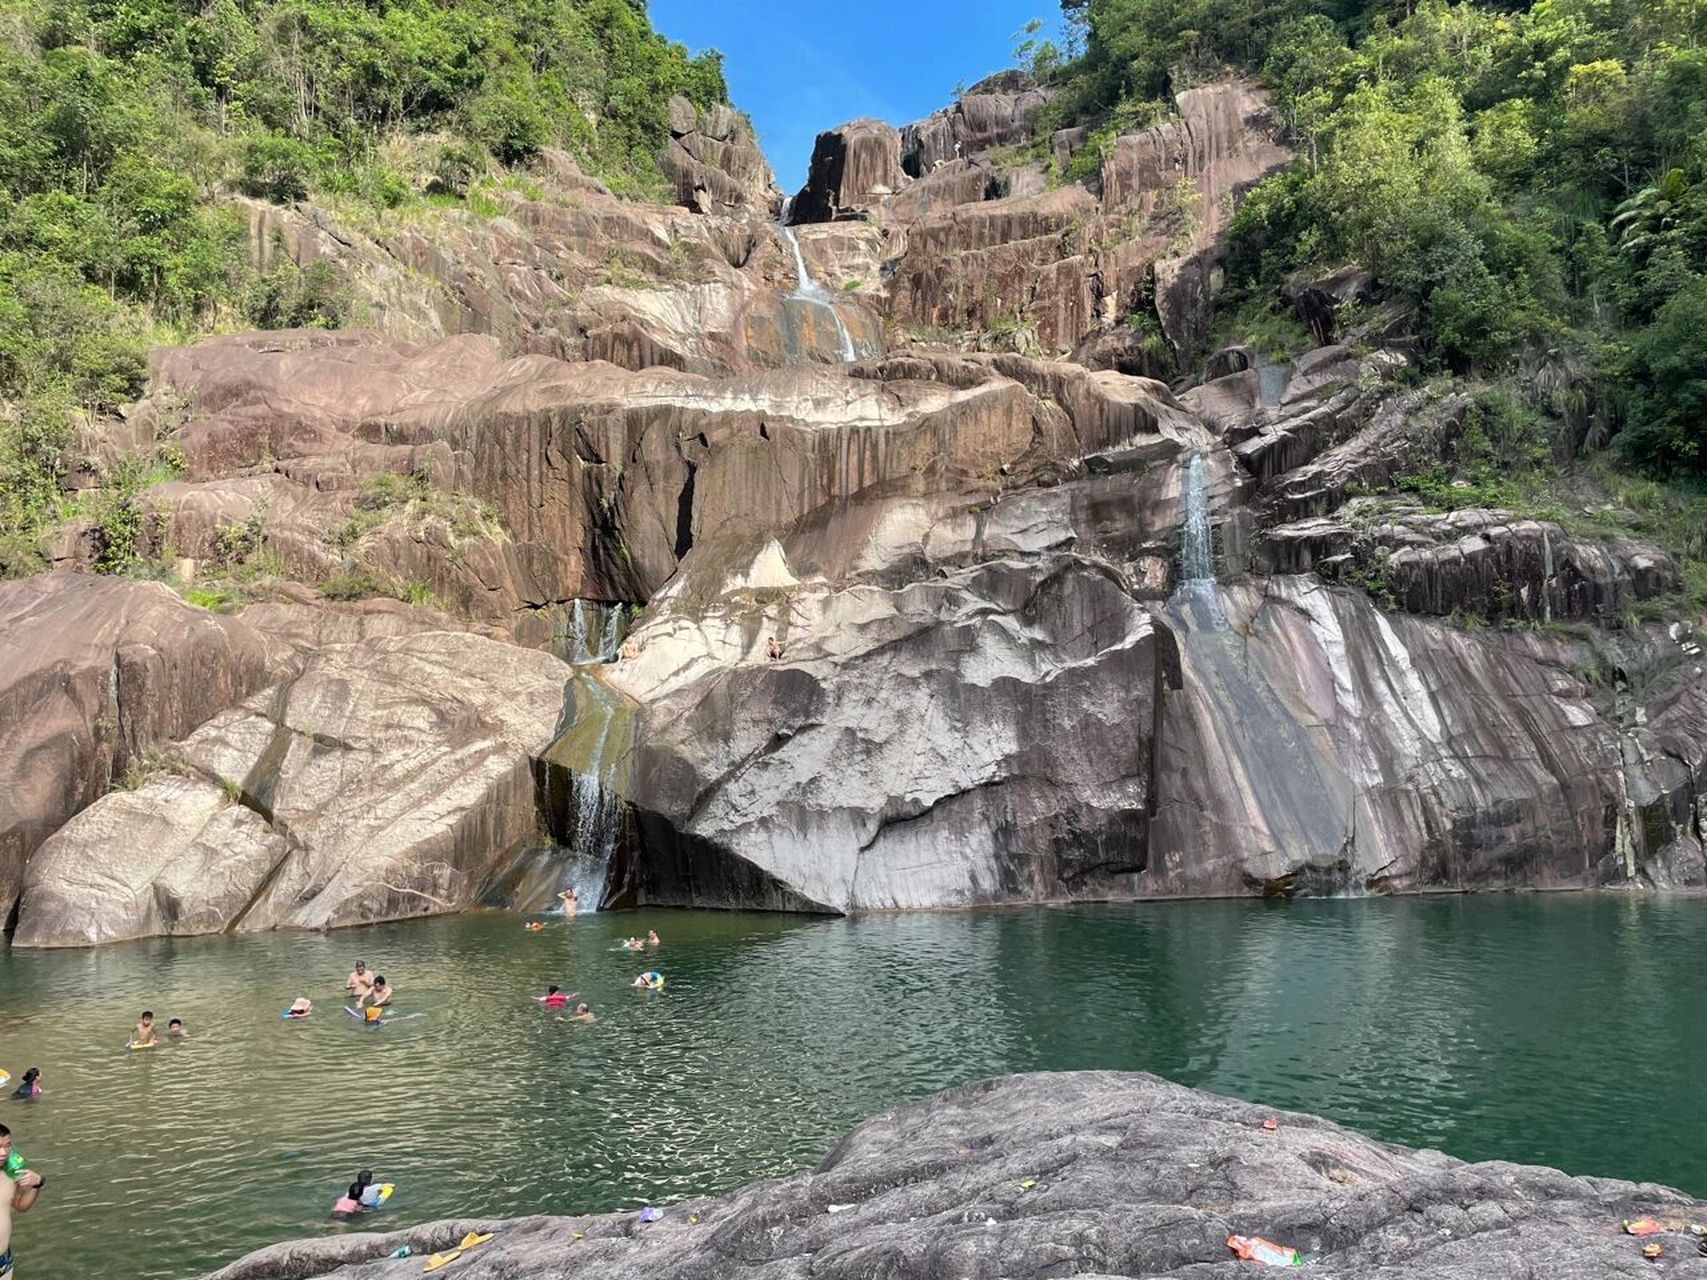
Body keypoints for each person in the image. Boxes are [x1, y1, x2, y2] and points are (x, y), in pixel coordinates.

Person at [0, 1123, 44, 1279]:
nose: (3, 1152)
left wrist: (36, 1184)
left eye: (7, 1145)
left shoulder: (10, 1175)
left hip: (3, 1261)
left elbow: (21, 1206)